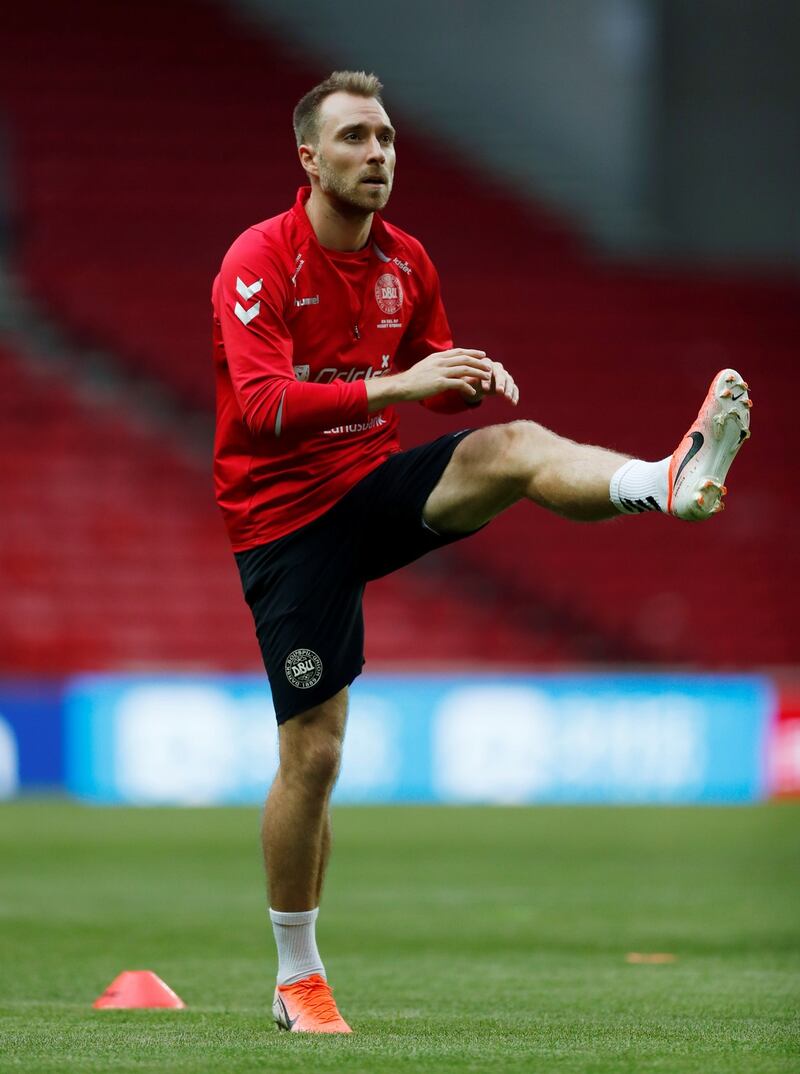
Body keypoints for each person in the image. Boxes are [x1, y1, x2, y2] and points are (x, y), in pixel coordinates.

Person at [211, 70, 751, 1034]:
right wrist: (402, 385)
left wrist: (463, 383)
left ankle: (662, 481)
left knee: (513, 446)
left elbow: (433, 372)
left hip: (370, 491)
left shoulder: (406, 262)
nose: (377, 154)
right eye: (353, 139)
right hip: (284, 524)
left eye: (385, 138)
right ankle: (299, 976)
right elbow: (259, 409)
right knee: (315, 753)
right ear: (308, 158)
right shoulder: (260, 261)